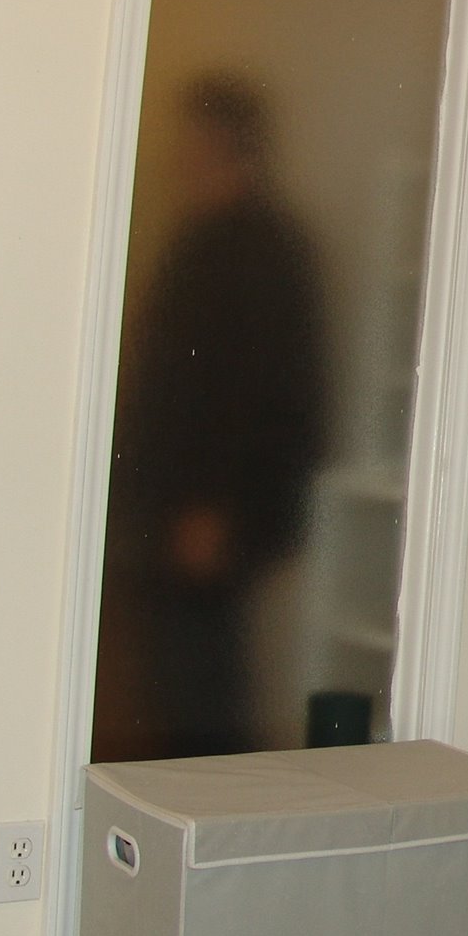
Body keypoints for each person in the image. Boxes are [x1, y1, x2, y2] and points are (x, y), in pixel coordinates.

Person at [98, 72, 327, 761]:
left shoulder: (263, 247)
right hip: (166, 506)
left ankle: (210, 841)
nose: (183, 151)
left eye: (195, 135)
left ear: (228, 140)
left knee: (203, 696)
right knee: (174, 687)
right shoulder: (199, 239)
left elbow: (262, 390)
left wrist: (215, 508)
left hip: (210, 516)